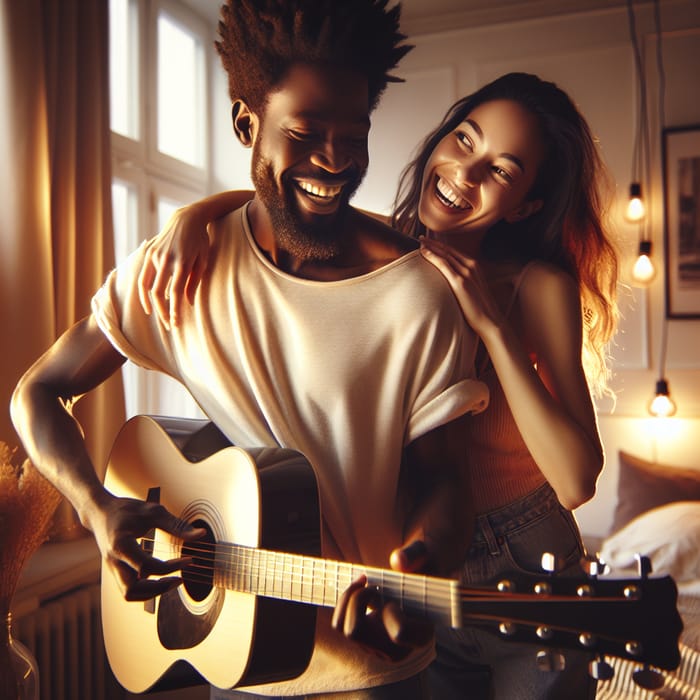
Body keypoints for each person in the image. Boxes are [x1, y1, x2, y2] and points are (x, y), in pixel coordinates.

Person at [11, 1, 490, 698]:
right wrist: (95, 507)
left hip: (373, 672)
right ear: (247, 125)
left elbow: (447, 480)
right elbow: (37, 391)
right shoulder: (177, 275)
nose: (336, 160)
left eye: (354, 134)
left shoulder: (418, 291)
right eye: (306, 132)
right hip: (236, 662)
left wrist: (416, 571)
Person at [138, 72, 620, 699]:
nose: (464, 174)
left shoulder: (537, 286)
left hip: (521, 556)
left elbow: (579, 480)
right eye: (464, 140)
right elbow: (272, 201)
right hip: (412, 555)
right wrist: (192, 216)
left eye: (501, 171)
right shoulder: (384, 253)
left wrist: (492, 331)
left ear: (526, 204)